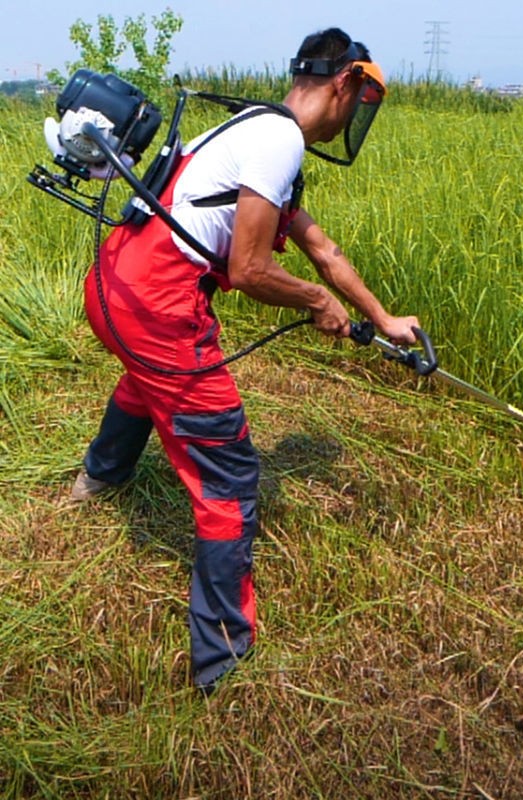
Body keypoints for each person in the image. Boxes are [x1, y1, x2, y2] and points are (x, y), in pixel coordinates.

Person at [70, 28, 420, 692]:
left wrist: (382, 319)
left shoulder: (252, 127)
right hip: (156, 303)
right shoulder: (278, 141)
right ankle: (222, 662)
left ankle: (97, 479)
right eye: (363, 97)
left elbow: (323, 249)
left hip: (113, 285)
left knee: (146, 382)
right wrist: (317, 303)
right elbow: (251, 268)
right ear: (345, 84)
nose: (357, 115)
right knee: (229, 474)